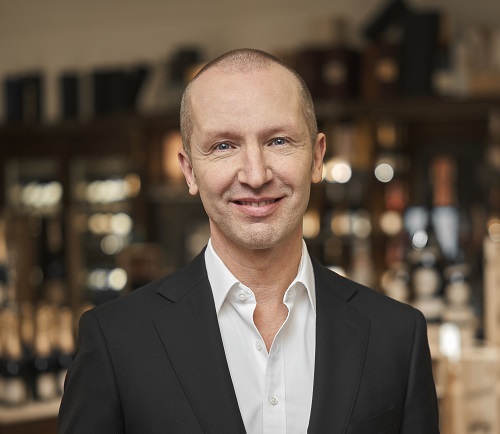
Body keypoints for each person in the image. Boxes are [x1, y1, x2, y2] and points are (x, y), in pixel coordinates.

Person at [58, 49, 440, 434]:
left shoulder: (397, 335)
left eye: (278, 141)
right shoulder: (115, 341)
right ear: (190, 171)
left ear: (316, 158)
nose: (256, 176)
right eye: (224, 146)